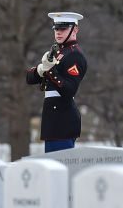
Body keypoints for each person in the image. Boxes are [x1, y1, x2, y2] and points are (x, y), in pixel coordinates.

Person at [26, 11, 87, 152]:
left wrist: (50, 70)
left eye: (63, 29)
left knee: (60, 168)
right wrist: (41, 70)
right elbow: (29, 78)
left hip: (63, 120)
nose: (58, 32)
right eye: (56, 29)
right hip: (53, 120)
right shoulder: (59, 52)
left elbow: (69, 90)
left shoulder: (74, 55)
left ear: (75, 30)